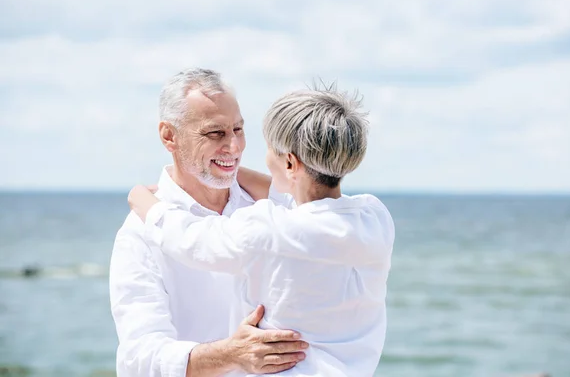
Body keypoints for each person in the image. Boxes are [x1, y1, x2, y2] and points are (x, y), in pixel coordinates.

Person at [128, 84, 396, 376]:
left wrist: (141, 198)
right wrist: (224, 169)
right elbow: (304, 201)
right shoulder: (376, 217)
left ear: (291, 162)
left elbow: (190, 240)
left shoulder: (267, 230)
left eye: (270, 151)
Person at [109, 68, 308, 377]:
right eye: (215, 133)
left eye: (238, 130)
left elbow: (323, 211)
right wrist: (231, 355)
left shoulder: (270, 206)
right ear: (169, 136)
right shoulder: (139, 234)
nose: (234, 146)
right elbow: (141, 360)